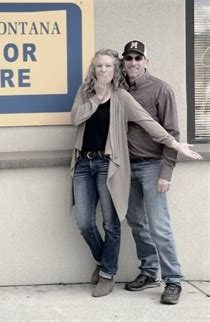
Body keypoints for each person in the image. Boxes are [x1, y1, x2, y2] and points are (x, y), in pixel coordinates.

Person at [70, 48, 202, 298]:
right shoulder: (89, 91)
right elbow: (75, 118)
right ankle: (137, 269)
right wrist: (96, 99)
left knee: (151, 226)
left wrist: (174, 148)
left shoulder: (129, 94)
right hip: (104, 166)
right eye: (99, 66)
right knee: (94, 223)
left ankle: (168, 279)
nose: (103, 70)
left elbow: (150, 123)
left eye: (108, 66)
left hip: (128, 166)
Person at [121, 40, 188, 305]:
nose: (133, 63)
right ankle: (150, 272)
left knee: (159, 226)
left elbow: (172, 133)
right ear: (123, 62)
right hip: (126, 168)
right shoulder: (118, 89)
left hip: (152, 167)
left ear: (146, 61)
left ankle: (174, 280)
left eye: (138, 58)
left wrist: (166, 172)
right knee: (137, 222)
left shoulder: (161, 89)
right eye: (129, 58)